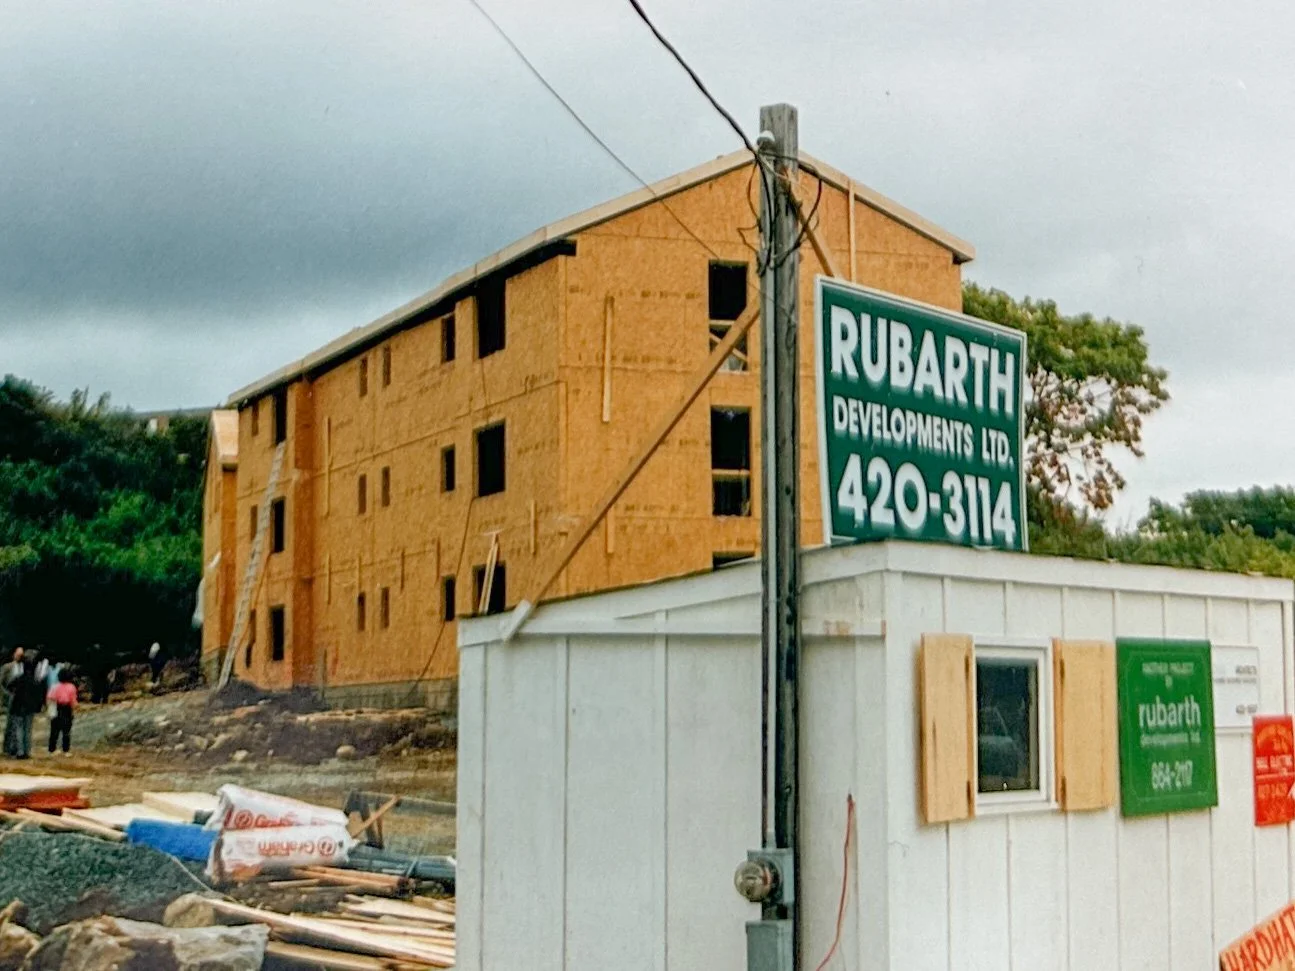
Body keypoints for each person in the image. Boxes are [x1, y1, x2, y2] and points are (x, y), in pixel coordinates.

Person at [9, 652, 43, 759]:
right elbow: (39, 695)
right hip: (30, 707)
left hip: (18, 706)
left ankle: (20, 751)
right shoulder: (35, 681)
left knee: (19, 728)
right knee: (28, 729)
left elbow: (9, 686)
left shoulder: (19, 679)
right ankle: (27, 751)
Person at [47, 668, 77, 756]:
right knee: (66, 730)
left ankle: (52, 749)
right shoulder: (71, 687)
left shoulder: (55, 686)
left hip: (57, 708)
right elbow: (73, 701)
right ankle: (66, 750)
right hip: (67, 709)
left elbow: (50, 698)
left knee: (54, 730)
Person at [1, 647, 25, 758]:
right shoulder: (7, 667)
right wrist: (6, 694)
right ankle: (7, 747)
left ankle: (15, 747)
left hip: (21, 698)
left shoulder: (24, 668)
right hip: (11, 696)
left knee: (18, 723)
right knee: (11, 722)